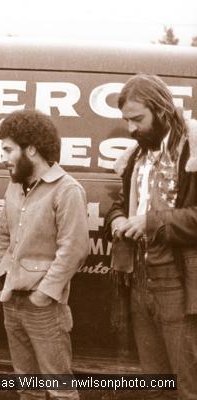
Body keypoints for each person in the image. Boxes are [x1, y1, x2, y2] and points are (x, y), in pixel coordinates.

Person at [105, 74, 197, 399]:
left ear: (161, 110)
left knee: (188, 387)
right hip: (139, 279)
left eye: (137, 119)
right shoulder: (137, 155)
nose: (130, 128)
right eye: (126, 120)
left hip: (178, 280)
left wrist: (150, 222)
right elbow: (118, 203)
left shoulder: (192, 148)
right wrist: (118, 219)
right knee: (154, 386)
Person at [0, 110, 88, 400]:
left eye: (8, 149)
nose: (3, 157)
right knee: (28, 389)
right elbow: (4, 236)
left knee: (60, 392)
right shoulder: (14, 185)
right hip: (12, 301)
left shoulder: (67, 189)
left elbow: (74, 250)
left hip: (44, 307)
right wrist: (3, 278)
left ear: (31, 149)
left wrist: (43, 294)